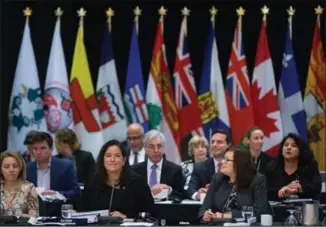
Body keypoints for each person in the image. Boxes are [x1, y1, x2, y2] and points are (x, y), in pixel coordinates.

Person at [82, 140, 154, 218]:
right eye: (108, 155)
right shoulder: (92, 182)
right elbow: (83, 211)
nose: (112, 159)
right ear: (103, 160)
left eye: (117, 156)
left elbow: (150, 213)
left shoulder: (138, 183)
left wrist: (126, 217)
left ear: (123, 160)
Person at [199, 145, 271, 222]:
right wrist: (205, 215)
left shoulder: (257, 180)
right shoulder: (217, 178)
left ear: (239, 163)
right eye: (224, 158)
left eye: (227, 160)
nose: (222, 162)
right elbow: (204, 208)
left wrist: (226, 215)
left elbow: (260, 212)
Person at [132, 130, 185, 200]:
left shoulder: (175, 170)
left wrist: (168, 190)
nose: (156, 150)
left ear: (163, 147)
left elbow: (182, 194)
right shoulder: (135, 170)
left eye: (159, 146)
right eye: (151, 146)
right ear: (145, 148)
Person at [266, 133, 321, 200]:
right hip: (276, 209)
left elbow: (316, 188)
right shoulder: (271, 167)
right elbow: (264, 191)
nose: (288, 148)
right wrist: (286, 188)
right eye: (286, 145)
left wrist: (298, 189)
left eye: (294, 146)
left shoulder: (310, 166)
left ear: (301, 150)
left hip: (304, 208)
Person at [26, 132, 80, 200]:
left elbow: (76, 191)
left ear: (51, 149)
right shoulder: (27, 169)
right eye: (35, 149)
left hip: (58, 208)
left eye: (42, 148)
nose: (38, 152)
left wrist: (57, 194)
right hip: (35, 209)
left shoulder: (65, 166)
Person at [187, 130, 230, 200]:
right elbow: (190, 190)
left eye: (219, 142)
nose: (214, 145)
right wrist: (197, 195)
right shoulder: (200, 167)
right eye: (212, 142)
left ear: (228, 145)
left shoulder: (234, 165)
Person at [0, 150, 38, 217]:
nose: (11, 170)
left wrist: (17, 216)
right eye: (6, 166)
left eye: (15, 166)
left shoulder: (29, 187)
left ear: (20, 168)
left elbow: (34, 216)